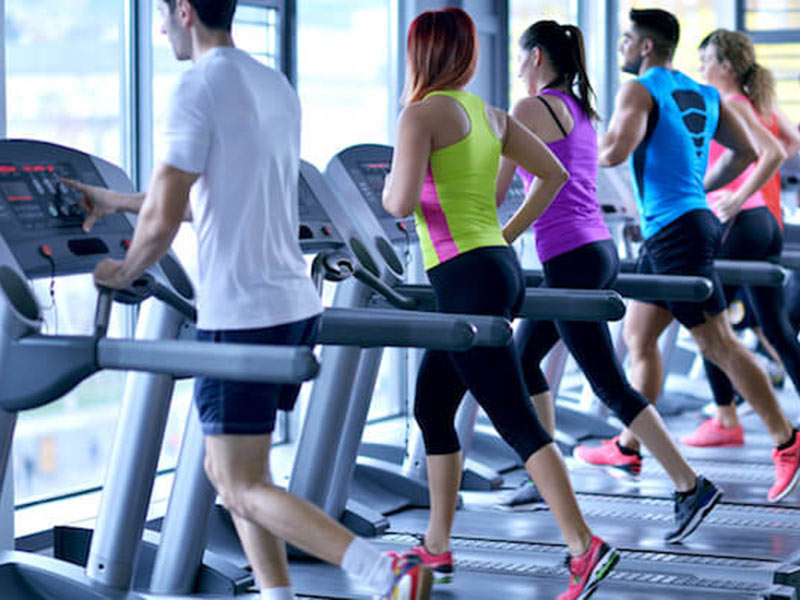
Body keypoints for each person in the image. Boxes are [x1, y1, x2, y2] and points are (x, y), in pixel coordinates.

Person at [64, 1, 431, 599]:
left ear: (184, 10)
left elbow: (162, 219)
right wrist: (114, 200)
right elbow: (194, 200)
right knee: (233, 472)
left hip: (241, 312)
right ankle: (276, 592)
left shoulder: (197, 86)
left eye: (160, 12)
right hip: (290, 305)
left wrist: (121, 271)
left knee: (238, 483)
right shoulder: (274, 85)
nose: (157, 27)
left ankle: (385, 571)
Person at [383, 8, 618, 599]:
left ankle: (584, 547)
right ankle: (436, 546)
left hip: (465, 278)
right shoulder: (488, 114)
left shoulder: (419, 115)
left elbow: (398, 201)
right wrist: (505, 232)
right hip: (498, 270)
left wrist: (396, 185)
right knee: (432, 406)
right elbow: (554, 173)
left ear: (422, 54)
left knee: (513, 418)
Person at [495, 18, 720, 539]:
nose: (516, 67)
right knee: (526, 356)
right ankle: (543, 476)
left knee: (608, 382)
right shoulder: (580, 110)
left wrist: (502, 232)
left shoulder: (531, 108)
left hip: (571, 255)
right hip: (593, 249)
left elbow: (509, 186)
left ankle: (690, 484)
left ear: (534, 59)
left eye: (518, 57)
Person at [573, 8, 800, 504]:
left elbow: (613, 150)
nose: (622, 48)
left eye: (626, 39)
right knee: (639, 334)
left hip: (677, 230)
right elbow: (744, 153)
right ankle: (629, 445)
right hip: (679, 226)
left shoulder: (640, 89)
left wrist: (558, 150)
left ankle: (787, 440)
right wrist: (700, 188)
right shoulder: (703, 93)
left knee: (718, 342)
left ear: (647, 47)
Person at [682, 29, 800, 447]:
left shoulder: (731, 102)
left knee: (705, 317)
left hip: (743, 220)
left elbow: (773, 151)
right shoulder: (752, 102)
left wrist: (736, 192)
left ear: (725, 67)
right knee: (777, 330)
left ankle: (725, 418)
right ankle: (727, 415)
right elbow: (789, 142)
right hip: (766, 221)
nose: (700, 69)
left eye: (705, 61)